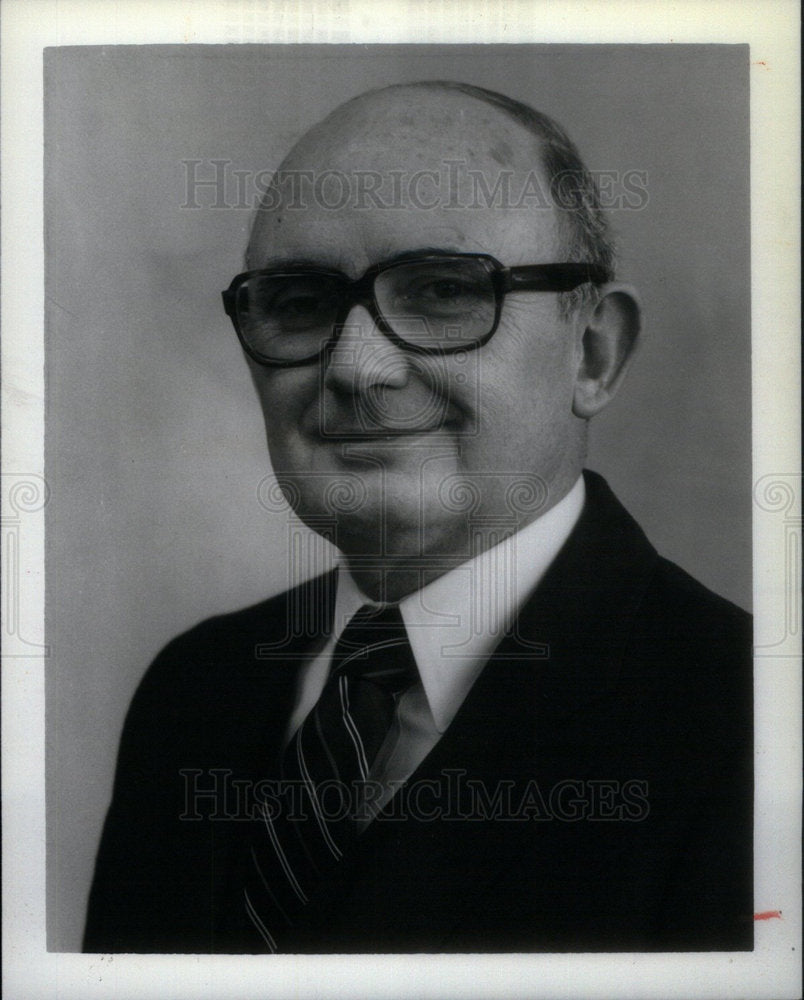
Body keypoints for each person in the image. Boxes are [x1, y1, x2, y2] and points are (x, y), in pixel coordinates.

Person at [84, 81, 752, 954]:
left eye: (443, 291)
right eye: (299, 302)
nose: (357, 368)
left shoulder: (750, 720)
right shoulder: (194, 693)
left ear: (592, 353)